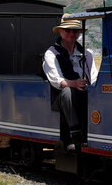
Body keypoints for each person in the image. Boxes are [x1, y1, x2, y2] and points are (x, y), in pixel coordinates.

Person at [42, 19, 99, 151]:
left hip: (84, 92)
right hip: (59, 97)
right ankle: (74, 135)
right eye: (68, 30)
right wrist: (74, 83)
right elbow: (56, 80)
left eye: (75, 31)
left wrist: (91, 88)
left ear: (79, 33)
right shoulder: (51, 53)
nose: (71, 34)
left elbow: (94, 76)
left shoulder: (87, 54)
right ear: (61, 31)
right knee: (68, 92)